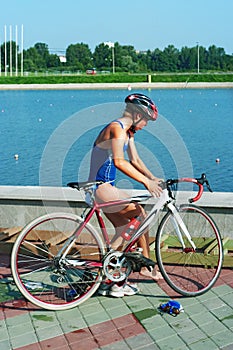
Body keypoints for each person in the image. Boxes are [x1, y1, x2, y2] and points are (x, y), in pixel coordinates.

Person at [88, 93, 163, 297]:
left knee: (124, 232)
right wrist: (145, 182)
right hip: (101, 187)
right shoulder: (117, 128)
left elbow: (135, 160)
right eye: (147, 119)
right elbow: (120, 162)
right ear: (138, 114)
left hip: (103, 188)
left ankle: (110, 280)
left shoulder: (128, 133)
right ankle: (146, 267)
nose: (146, 124)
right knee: (140, 215)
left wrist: (153, 177)